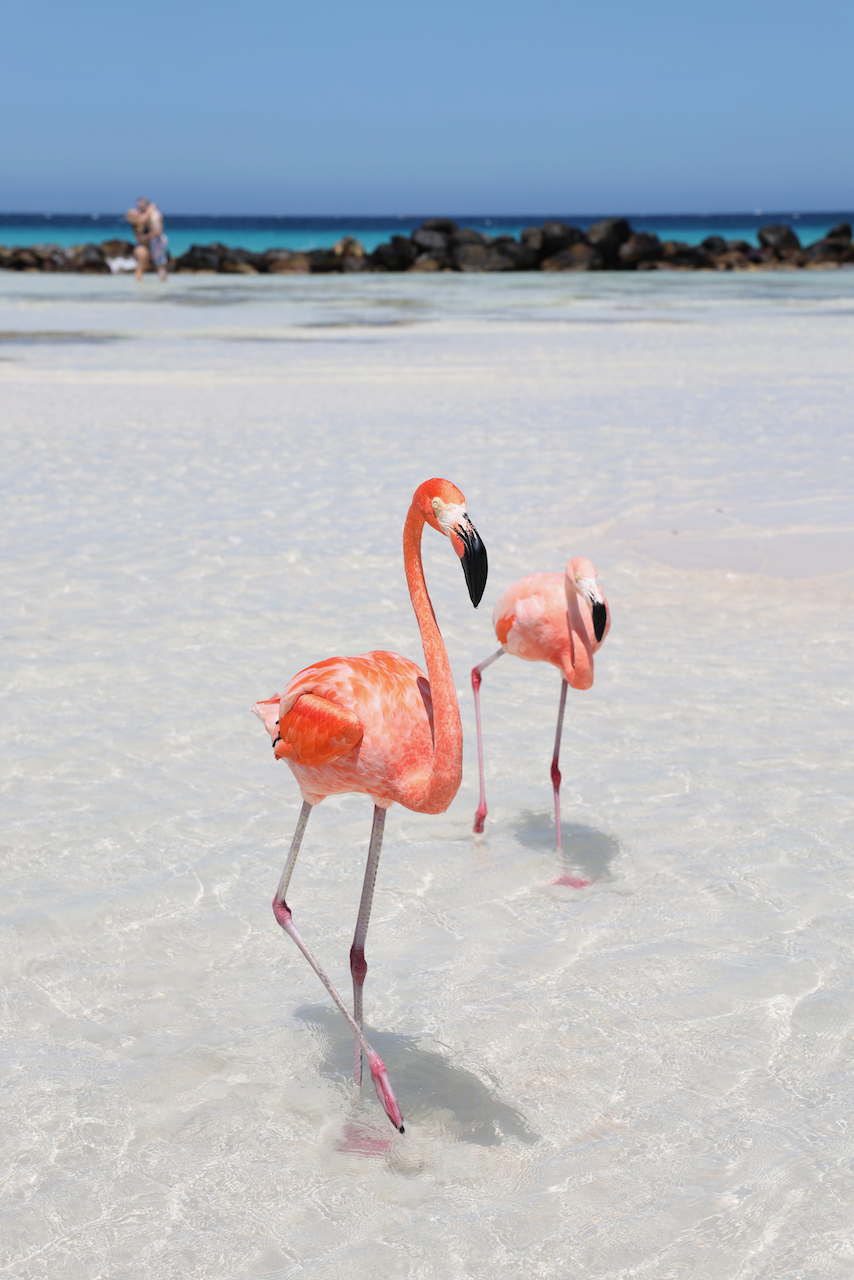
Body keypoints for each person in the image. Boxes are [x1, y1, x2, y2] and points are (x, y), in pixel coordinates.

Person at [126, 197, 168, 282]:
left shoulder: (150, 216)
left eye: (139, 206)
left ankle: (140, 284)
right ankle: (160, 283)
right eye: (136, 209)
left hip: (149, 244)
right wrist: (151, 207)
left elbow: (157, 230)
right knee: (146, 267)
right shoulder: (139, 220)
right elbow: (145, 219)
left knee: (151, 266)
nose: (138, 209)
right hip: (143, 246)